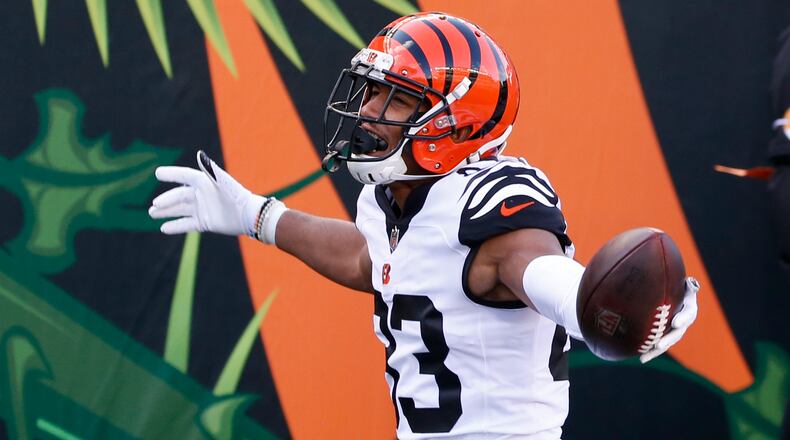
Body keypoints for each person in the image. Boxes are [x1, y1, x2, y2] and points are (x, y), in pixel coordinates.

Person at [149, 12, 698, 439]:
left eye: (396, 98)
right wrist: (258, 216)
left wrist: (602, 307)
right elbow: (373, 262)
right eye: (371, 89)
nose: (368, 110)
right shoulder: (392, 199)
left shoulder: (491, 204)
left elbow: (536, 269)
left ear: (454, 125)